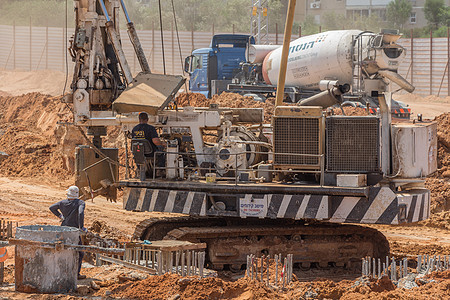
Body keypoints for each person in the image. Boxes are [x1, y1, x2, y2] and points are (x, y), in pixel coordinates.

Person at [49, 186, 86, 280]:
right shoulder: (80, 203)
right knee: (79, 252)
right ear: (77, 194)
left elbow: (52, 208)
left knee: (62, 249)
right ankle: (76, 274)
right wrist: (81, 227)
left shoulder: (62, 203)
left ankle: (59, 272)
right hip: (74, 231)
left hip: (64, 229)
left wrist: (60, 216)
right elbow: (81, 213)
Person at [132, 112, 166, 176]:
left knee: (137, 155)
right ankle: (160, 171)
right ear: (147, 119)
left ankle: (140, 171)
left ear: (139, 119)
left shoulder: (134, 129)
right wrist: (162, 143)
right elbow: (155, 141)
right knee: (162, 152)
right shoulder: (151, 128)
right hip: (150, 153)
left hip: (139, 152)